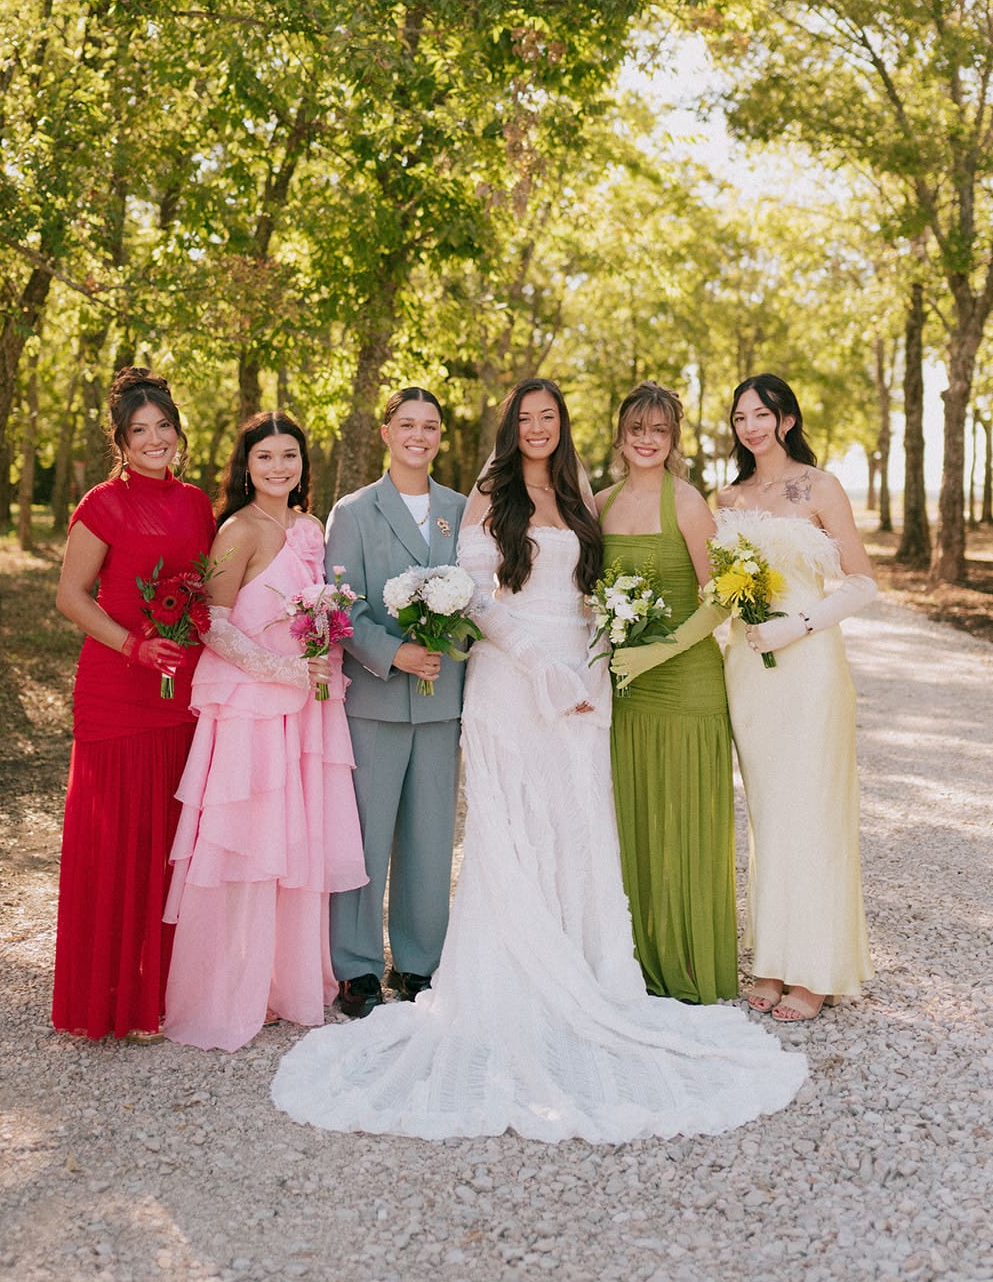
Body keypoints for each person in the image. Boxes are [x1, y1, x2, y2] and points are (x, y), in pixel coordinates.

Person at [270, 378, 807, 1141]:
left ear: (562, 427)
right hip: (511, 679)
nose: (535, 428)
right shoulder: (487, 494)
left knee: (579, 818)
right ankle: (503, 974)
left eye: (547, 417)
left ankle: (586, 967)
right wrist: (535, 662)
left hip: (581, 680)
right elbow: (472, 596)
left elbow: (593, 591)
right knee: (510, 822)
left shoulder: (580, 493)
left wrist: (590, 658)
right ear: (509, 426)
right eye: (523, 417)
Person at [162, 413, 368, 1050]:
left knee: (294, 845)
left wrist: (323, 662)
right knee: (248, 846)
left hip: (306, 708)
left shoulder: (310, 528)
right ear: (245, 467)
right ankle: (228, 992)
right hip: (252, 706)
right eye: (265, 458)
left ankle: (289, 985)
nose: (279, 468)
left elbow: (320, 612)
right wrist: (284, 671)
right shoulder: (237, 529)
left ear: (303, 464)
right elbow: (213, 627)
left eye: (290, 456)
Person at [53, 367, 216, 1042]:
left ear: (178, 432)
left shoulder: (198, 503)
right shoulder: (101, 503)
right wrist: (133, 646)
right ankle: (110, 996)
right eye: (138, 431)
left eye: (163, 428)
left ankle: (161, 993)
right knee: (116, 838)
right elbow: (71, 596)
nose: (154, 440)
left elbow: (207, 586)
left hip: (182, 690)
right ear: (121, 440)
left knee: (167, 842)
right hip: (119, 688)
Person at [717, 373, 877, 1022]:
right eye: (739, 417)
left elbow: (862, 582)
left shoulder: (819, 486)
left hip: (808, 665)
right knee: (769, 817)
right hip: (748, 668)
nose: (750, 425)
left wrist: (799, 623)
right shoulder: (726, 496)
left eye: (761, 413)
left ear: (785, 419)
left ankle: (814, 971)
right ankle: (773, 959)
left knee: (812, 814)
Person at [324, 388, 467, 1019]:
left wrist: (447, 641)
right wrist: (394, 653)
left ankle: (417, 962)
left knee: (431, 839)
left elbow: (484, 593)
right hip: (377, 698)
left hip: (441, 699)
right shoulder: (353, 511)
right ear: (386, 432)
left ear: (441, 436)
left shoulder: (463, 510)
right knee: (366, 834)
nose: (418, 435)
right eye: (406, 424)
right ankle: (355, 966)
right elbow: (342, 607)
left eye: (429, 426)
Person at [595, 383, 737, 1005]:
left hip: (685, 683)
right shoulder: (596, 504)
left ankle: (687, 960)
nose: (647, 439)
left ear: (674, 438)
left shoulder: (688, 502)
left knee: (683, 821)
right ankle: (635, 960)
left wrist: (662, 648)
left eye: (659, 430)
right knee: (630, 822)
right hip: (623, 686)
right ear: (621, 434)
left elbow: (722, 596)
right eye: (637, 428)